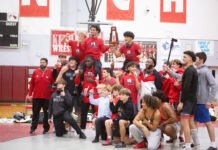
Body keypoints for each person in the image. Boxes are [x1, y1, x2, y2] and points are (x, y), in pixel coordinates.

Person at [195, 52, 218, 150]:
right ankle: (194, 142)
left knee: (208, 122)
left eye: (195, 58)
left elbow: (214, 85)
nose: (193, 59)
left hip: (203, 101)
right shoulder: (196, 70)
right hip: (195, 101)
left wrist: (210, 100)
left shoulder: (205, 71)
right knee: (194, 122)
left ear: (200, 59)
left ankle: (213, 144)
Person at [177, 51, 200, 150]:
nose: (183, 58)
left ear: (191, 58)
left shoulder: (189, 70)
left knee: (185, 123)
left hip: (187, 101)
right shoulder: (192, 70)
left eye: (185, 57)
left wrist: (181, 102)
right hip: (192, 100)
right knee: (191, 122)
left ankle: (187, 145)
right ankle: (197, 144)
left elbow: (186, 87)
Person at [26, 58, 54, 134]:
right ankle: (33, 128)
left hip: (47, 98)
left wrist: (52, 92)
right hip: (36, 97)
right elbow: (31, 84)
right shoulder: (35, 72)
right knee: (35, 114)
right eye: (41, 62)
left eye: (43, 62)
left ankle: (46, 129)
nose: (42, 63)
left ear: (46, 63)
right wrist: (29, 94)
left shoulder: (50, 72)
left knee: (46, 114)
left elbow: (53, 84)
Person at [80, 55, 99, 130]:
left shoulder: (97, 70)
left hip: (94, 94)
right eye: (86, 61)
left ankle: (96, 127)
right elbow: (79, 81)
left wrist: (93, 81)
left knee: (96, 111)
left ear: (93, 61)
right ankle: (82, 128)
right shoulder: (83, 70)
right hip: (85, 94)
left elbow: (100, 82)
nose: (87, 62)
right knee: (84, 112)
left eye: (89, 61)